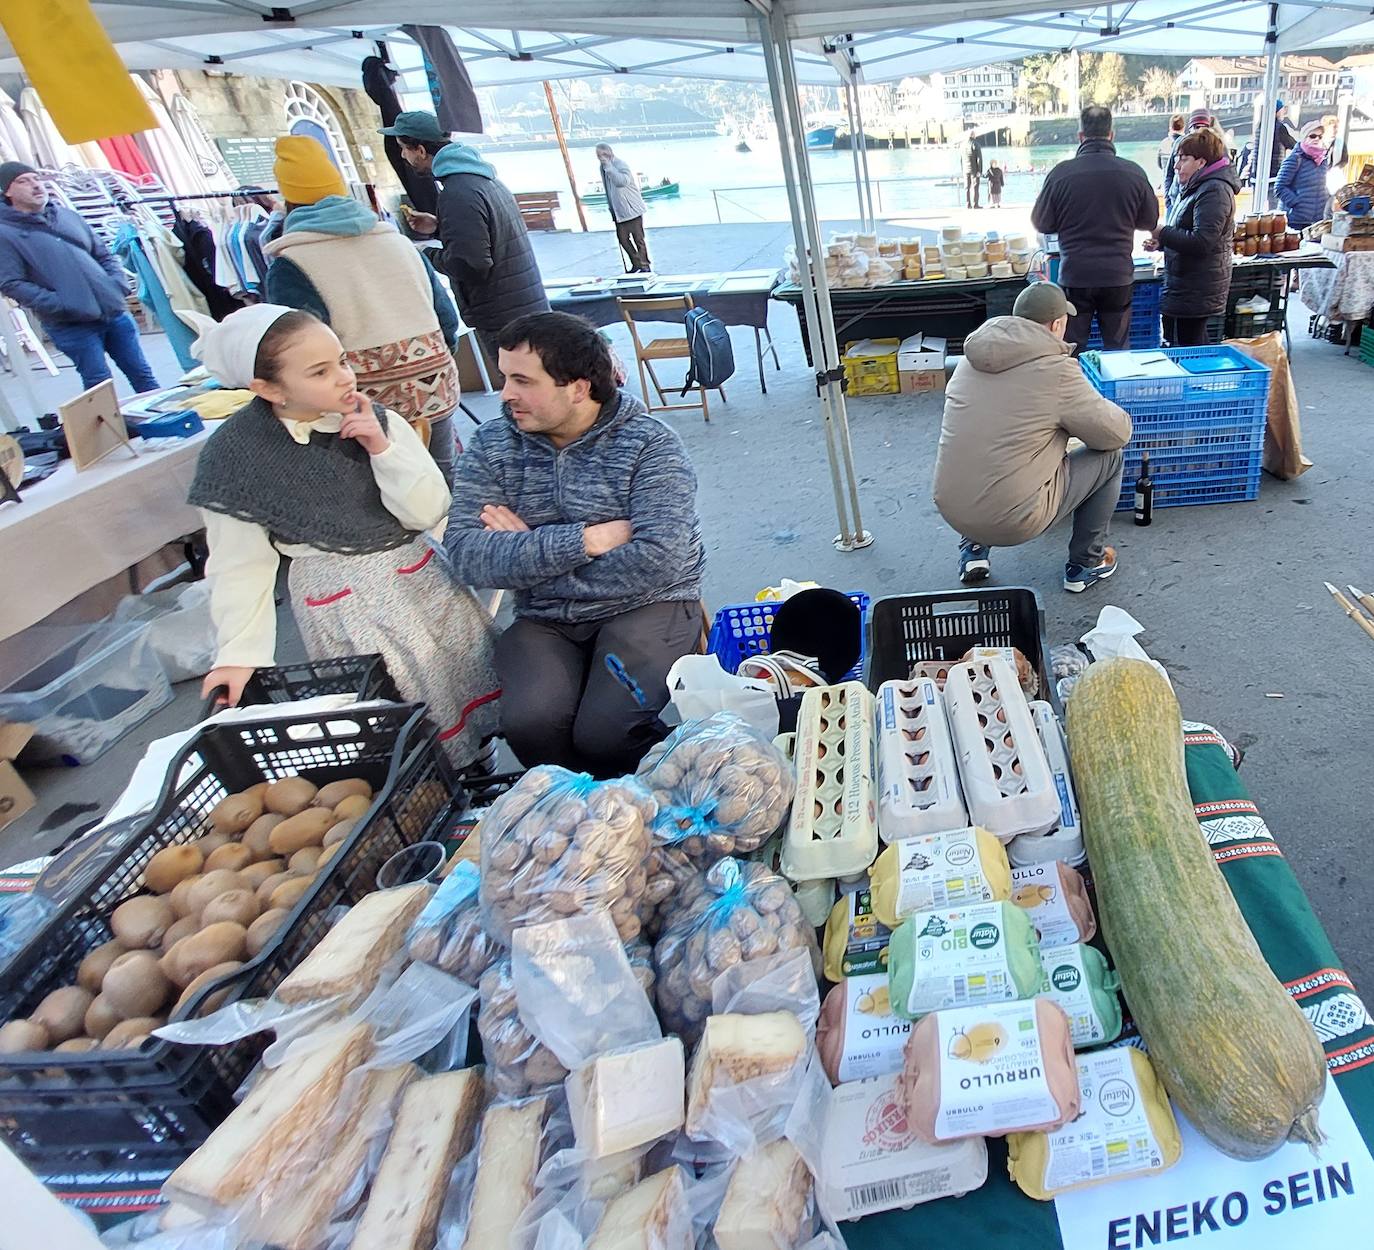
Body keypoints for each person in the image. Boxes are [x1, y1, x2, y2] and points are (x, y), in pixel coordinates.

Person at [189, 305, 499, 768]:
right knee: (396, 715)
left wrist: (382, 449)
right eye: (320, 371)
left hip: (417, 580)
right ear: (268, 388)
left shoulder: (377, 420)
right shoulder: (235, 456)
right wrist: (238, 654)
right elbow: (239, 565)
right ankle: (433, 789)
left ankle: (482, 774)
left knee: (461, 681)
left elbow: (429, 510)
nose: (344, 378)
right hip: (339, 605)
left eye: (342, 361)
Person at [444, 311, 705, 778]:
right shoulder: (491, 445)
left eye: (522, 381)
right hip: (547, 619)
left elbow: (658, 560)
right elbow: (465, 554)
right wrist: (588, 540)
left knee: (606, 733)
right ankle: (585, 806)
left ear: (578, 388)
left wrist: (529, 552)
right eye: (505, 377)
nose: (504, 394)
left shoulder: (650, 445)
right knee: (530, 724)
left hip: (648, 605)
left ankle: (660, 787)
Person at [262, 136, 463, 485]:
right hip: (433, 384)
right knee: (443, 480)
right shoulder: (397, 242)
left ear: (288, 201)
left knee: (381, 490)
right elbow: (446, 319)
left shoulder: (292, 262)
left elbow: (297, 350)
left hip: (362, 400)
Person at [932, 282, 1132, 594]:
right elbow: (1116, 433)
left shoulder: (969, 361)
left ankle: (974, 550)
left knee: (988, 441)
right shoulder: (1057, 371)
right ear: (1057, 325)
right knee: (1111, 457)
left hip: (952, 508)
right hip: (1013, 521)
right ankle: (1086, 564)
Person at [383, 110, 549, 383]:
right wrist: (439, 227)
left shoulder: (457, 192)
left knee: (527, 390)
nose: (403, 156)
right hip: (522, 306)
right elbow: (488, 235)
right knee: (540, 384)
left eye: (404, 149)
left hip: (502, 315)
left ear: (421, 150)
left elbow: (471, 264)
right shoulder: (481, 178)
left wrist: (424, 254)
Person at [0, 162, 158, 394]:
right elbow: (11, 283)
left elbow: (103, 254)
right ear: (7, 191)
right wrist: (62, 304)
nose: (35, 185)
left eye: (36, 178)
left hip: (112, 311)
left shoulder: (67, 216)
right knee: (99, 383)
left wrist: (116, 285)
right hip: (70, 323)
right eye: (23, 181)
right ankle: (108, 420)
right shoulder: (5, 232)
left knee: (142, 374)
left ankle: (170, 415)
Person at [1030, 106, 1157, 355]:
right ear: (1111, 135)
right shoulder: (1134, 172)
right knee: (1118, 349)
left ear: (1081, 136)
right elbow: (1149, 222)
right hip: (1117, 275)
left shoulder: (1060, 174)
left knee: (1073, 348)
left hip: (1076, 274)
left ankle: (1075, 380)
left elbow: (1042, 223)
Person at [1145, 128, 1239, 348]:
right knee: (1182, 342)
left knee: (1191, 346)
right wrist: (1162, 243)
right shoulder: (1195, 187)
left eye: (1184, 159)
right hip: (1185, 283)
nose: (1176, 166)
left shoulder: (1214, 191)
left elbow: (1202, 242)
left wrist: (1162, 232)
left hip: (1198, 286)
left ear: (1201, 162)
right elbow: (1186, 230)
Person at [596, 143, 651, 273]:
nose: (600, 157)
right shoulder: (603, 168)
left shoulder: (620, 164)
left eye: (602, 154)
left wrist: (609, 166)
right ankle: (636, 262)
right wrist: (611, 207)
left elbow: (621, 182)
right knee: (623, 239)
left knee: (638, 239)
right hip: (618, 211)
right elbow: (608, 190)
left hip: (632, 208)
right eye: (598, 155)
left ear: (609, 153)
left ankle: (644, 265)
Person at [1275, 121, 1332, 233]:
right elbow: (1279, 187)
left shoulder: (1323, 160)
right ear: (1304, 137)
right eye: (1312, 136)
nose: (1317, 139)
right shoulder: (1295, 158)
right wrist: (1296, 203)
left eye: (1320, 136)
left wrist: (1327, 199)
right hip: (1295, 221)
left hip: (1317, 221)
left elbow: (1322, 186)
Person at [1164, 110, 1217, 213]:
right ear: (1189, 128)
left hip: (1193, 203)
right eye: (1196, 127)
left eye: (1204, 127)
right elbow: (1169, 172)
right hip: (1175, 200)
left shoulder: (1214, 151)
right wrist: (1168, 200)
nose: (1200, 130)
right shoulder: (1180, 143)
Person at [963, 134, 983, 208]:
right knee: (975, 187)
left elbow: (961, 159)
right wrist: (979, 170)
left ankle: (968, 204)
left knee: (967, 187)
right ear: (973, 136)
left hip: (965, 169)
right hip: (974, 169)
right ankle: (975, 204)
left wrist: (963, 169)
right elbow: (979, 159)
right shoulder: (975, 144)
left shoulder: (963, 145)